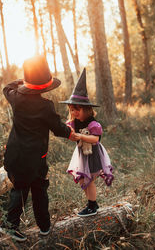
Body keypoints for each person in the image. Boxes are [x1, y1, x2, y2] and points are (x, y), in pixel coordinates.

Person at [0, 55, 77, 241]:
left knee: (19, 189)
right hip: (36, 160)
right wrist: (72, 132)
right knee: (40, 190)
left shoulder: (16, 98)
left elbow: (6, 87)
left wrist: (24, 82)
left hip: (15, 157)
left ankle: (11, 224)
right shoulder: (46, 106)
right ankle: (42, 226)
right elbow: (59, 130)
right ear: (45, 87)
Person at [60, 69, 114, 217]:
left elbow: (95, 139)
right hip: (82, 154)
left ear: (86, 109)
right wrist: (70, 132)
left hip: (93, 154)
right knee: (83, 179)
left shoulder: (92, 123)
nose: (74, 113)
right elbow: (70, 132)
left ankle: (92, 205)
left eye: (77, 109)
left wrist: (80, 136)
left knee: (88, 179)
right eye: (71, 110)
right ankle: (92, 203)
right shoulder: (74, 121)